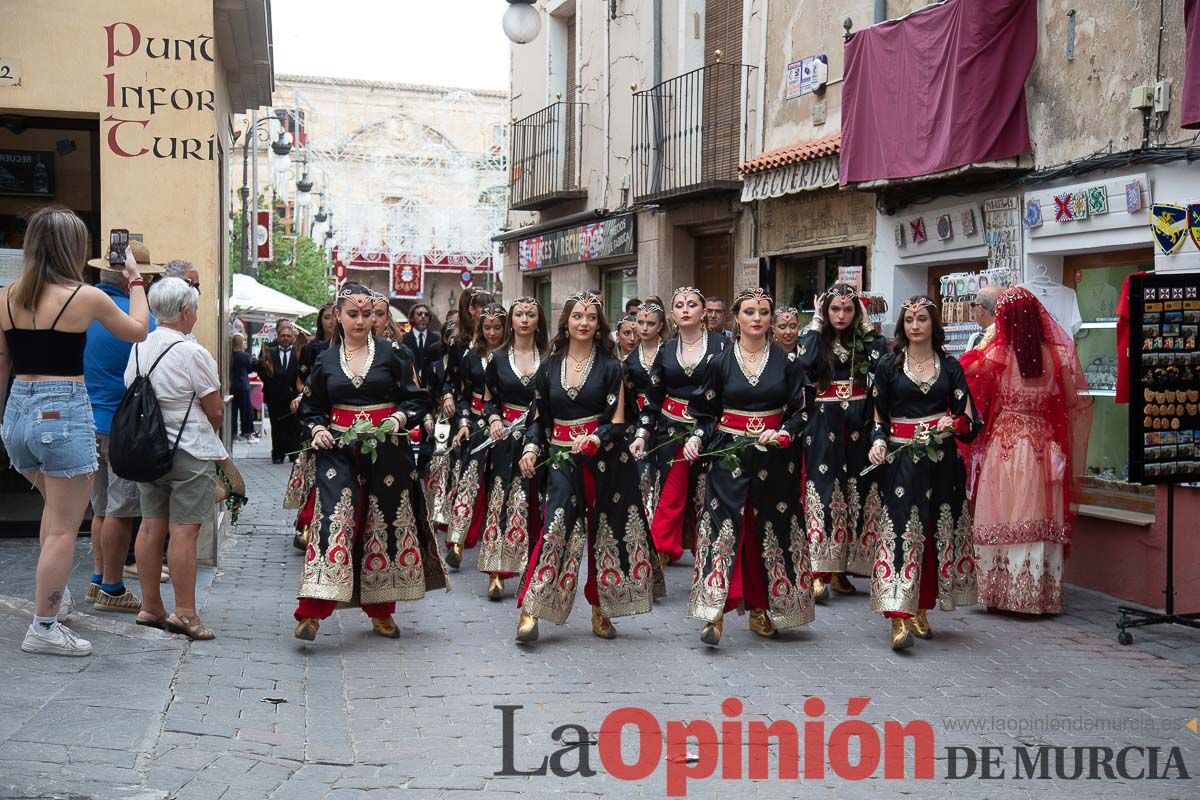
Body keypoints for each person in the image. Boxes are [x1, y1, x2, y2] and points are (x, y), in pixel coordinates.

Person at [0, 207, 148, 656]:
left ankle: (53, 599)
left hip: (19, 411)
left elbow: (4, 363)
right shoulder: (84, 297)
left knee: (53, 509)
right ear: (73, 248)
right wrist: (136, 279)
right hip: (62, 410)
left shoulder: (5, 295)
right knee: (66, 527)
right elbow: (139, 330)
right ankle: (44, 626)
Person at [293, 282, 446, 641]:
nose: (360, 321)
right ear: (337, 317)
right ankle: (311, 613)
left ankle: (380, 612)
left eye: (366, 314)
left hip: (387, 452)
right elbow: (312, 407)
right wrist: (317, 430)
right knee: (335, 523)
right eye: (352, 314)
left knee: (383, 526)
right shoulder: (326, 359)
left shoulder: (394, 354)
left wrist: (398, 419)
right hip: (338, 452)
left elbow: (418, 399)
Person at [514, 291, 660, 643]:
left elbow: (619, 421)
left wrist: (596, 438)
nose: (584, 323)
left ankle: (601, 608)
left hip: (607, 461)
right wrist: (532, 448)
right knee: (556, 528)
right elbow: (538, 419)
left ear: (599, 325)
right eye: (577, 316)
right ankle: (532, 611)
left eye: (591, 317)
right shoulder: (549, 367)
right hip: (563, 460)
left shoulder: (612, 366)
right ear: (566, 321)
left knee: (605, 533)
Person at [684, 288, 815, 645]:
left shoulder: (789, 364)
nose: (757, 318)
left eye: (763, 312)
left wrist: (786, 433)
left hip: (774, 458)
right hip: (729, 455)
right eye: (749, 312)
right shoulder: (719, 363)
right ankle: (714, 613)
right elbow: (705, 413)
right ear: (736, 318)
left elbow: (802, 411)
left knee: (769, 528)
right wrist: (697, 438)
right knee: (724, 528)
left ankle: (761, 609)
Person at [960, 287, 1091, 614]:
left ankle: (1000, 592)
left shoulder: (997, 354)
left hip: (1007, 441)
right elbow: (1075, 401)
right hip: (1042, 444)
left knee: (1005, 511)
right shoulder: (1059, 355)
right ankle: (1036, 596)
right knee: (1037, 513)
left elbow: (969, 382)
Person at [864, 296, 981, 651]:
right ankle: (898, 615)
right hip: (901, 460)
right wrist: (879, 442)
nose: (916, 325)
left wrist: (953, 421)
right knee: (902, 530)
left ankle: (920, 606)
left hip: (942, 460)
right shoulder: (887, 366)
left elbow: (970, 420)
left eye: (922, 319)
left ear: (933, 324)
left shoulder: (950, 366)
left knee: (932, 530)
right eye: (910, 319)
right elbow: (877, 417)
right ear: (902, 326)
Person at [124, 278, 226, 640]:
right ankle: (185, 613)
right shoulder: (192, 353)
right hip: (188, 450)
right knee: (184, 531)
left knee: (151, 526)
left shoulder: (139, 348)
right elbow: (214, 410)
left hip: (148, 450)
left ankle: (150, 606)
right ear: (185, 311)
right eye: (195, 309)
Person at [796, 285, 885, 602]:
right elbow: (804, 364)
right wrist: (816, 321)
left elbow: (882, 364)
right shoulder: (815, 339)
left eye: (848, 310)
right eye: (835, 309)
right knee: (824, 490)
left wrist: (865, 324)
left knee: (857, 490)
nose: (841, 316)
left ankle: (841, 571)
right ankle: (818, 570)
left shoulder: (864, 339)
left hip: (858, 421)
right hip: (824, 421)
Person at [84, 258, 161, 614]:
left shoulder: (84, 306)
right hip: (123, 425)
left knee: (100, 507)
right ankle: (113, 588)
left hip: (87, 419)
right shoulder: (136, 315)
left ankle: (99, 579)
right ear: (136, 276)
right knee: (121, 509)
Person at [631, 287, 726, 568]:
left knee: (705, 495)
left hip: (710, 430)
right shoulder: (666, 349)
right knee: (670, 493)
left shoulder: (721, 346)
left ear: (703, 312)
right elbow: (653, 397)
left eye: (692, 304)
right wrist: (641, 434)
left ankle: (706, 555)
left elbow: (727, 392)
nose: (686, 309)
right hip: (670, 431)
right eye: (680, 305)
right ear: (672, 315)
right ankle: (658, 550)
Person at [476, 297, 547, 600]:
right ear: (512, 320)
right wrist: (493, 418)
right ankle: (496, 571)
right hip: (505, 438)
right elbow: (488, 400)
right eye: (519, 314)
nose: (524, 319)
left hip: (539, 435)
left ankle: (530, 566)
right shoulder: (498, 358)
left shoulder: (550, 357)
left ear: (537, 320)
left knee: (531, 501)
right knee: (502, 501)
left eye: (530, 314)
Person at [444, 303, 507, 569]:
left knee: (500, 485)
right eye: (487, 327)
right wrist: (464, 422)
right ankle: (457, 541)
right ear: (480, 329)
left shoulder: (512, 356)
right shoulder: (471, 356)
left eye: (497, 327)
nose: (492, 332)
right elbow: (463, 396)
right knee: (470, 480)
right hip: (477, 423)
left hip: (506, 426)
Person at [283, 302, 335, 551]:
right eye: (327, 317)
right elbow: (302, 382)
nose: (331, 321)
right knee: (312, 471)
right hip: (317, 416)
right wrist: (306, 397)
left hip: (341, 417)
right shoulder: (315, 349)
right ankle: (305, 524)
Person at [624, 300, 666, 519]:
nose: (644, 327)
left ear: (660, 326)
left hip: (667, 420)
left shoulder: (670, 353)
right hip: (637, 423)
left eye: (650, 323)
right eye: (640, 322)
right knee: (642, 474)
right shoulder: (628, 361)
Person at [261, 320, 301, 463]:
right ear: (278, 337)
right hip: (275, 396)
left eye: (288, 336)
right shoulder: (270, 352)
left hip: (293, 397)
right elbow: (263, 371)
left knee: (294, 426)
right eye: (283, 336)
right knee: (277, 426)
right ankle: (278, 454)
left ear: (293, 338)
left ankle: (293, 453)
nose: (285, 338)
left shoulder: (299, 353)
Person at [230, 334, 255, 441]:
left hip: (232, 386)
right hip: (243, 385)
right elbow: (250, 369)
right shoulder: (245, 356)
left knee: (233, 412)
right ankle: (248, 433)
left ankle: (234, 434)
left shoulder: (231, 355)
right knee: (246, 411)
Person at [402, 303, 440, 375]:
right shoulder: (404, 339)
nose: (423, 317)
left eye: (426, 314)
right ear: (412, 318)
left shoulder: (436, 339)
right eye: (419, 314)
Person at [965, 285, 1002, 351]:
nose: (972, 309)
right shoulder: (1012, 335)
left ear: (980, 310)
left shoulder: (978, 340)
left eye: (974, 305)